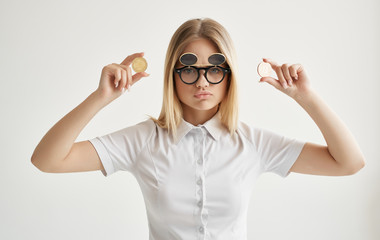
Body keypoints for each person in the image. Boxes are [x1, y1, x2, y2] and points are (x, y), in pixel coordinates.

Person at [31, 18, 365, 239]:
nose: (202, 81)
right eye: (188, 70)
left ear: (229, 76)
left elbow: (348, 163)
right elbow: (47, 160)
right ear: (172, 76)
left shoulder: (253, 143)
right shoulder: (142, 140)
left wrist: (306, 97)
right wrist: (100, 98)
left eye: (215, 69)